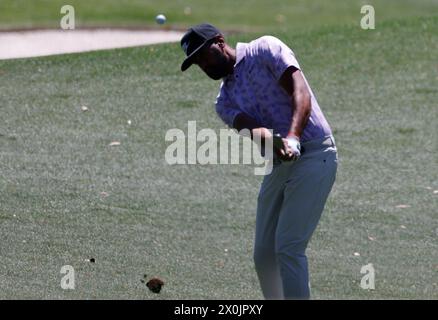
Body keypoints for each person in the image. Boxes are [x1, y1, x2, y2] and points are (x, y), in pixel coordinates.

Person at [180, 23, 338, 299]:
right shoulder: (224, 101)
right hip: (280, 164)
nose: (202, 65)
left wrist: (292, 138)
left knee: (288, 247)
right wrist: (274, 141)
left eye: (203, 55)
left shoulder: (265, 49)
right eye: (196, 63)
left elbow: (301, 94)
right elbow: (253, 128)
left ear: (219, 41)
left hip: (315, 153)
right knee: (264, 253)